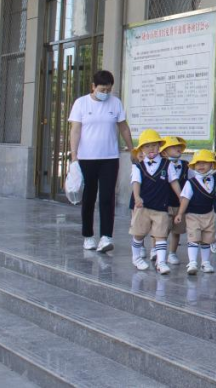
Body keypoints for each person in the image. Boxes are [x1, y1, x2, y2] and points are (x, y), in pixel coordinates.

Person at [68, 70, 134, 253]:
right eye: (102, 89)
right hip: (86, 158)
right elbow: (75, 130)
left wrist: (132, 149)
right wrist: (74, 155)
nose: (105, 93)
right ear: (93, 86)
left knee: (107, 197)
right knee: (89, 197)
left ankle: (106, 237)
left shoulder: (115, 103)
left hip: (109, 158)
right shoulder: (81, 103)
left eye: (108, 90)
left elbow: (123, 128)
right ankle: (88, 236)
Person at [175, 149, 216, 275]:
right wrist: (180, 213)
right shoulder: (191, 182)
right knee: (193, 238)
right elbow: (185, 199)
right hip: (193, 215)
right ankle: (192, 262)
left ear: (212, 164)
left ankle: (205, 262)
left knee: (206, 239)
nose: (201, 165)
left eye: (205, 162)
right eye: (198, 163)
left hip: (209, 214)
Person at [128, 129, 180, 273]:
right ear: (141, 149)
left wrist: (181, 197)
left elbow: (174, 181)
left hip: (161, 207)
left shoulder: (167, 164)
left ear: (159, 147)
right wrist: (137, 197)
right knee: (138, 233)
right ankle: (136, 258)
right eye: (147, 146)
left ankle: (161, 262)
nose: (151, 148)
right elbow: (136, 182)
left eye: (154, 145)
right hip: (143, 207)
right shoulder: (138, 166)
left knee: (161, 235)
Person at [161, 137, 189, 266]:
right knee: (161, 230)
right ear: (164, 152)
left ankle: (172, 253)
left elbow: (193, 181)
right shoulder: (162, 165)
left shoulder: (186, 165)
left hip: (179, 204)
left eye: (179, 146)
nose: (178, 148)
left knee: (177, 230)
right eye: (173, 147)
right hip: (164, 203)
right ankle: (156, 250)